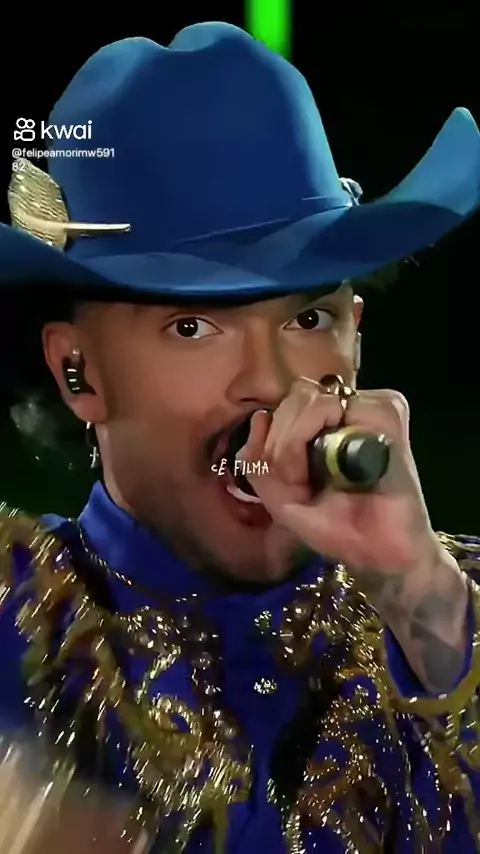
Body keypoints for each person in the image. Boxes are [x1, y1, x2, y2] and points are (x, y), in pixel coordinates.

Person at [0, 21, 479, 854]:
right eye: (193, 327)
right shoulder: (14, 613)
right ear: (79, 373)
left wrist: (425, 605)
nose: (270, 381)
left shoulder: (457, 596)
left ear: (356, 334)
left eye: (309, 318)